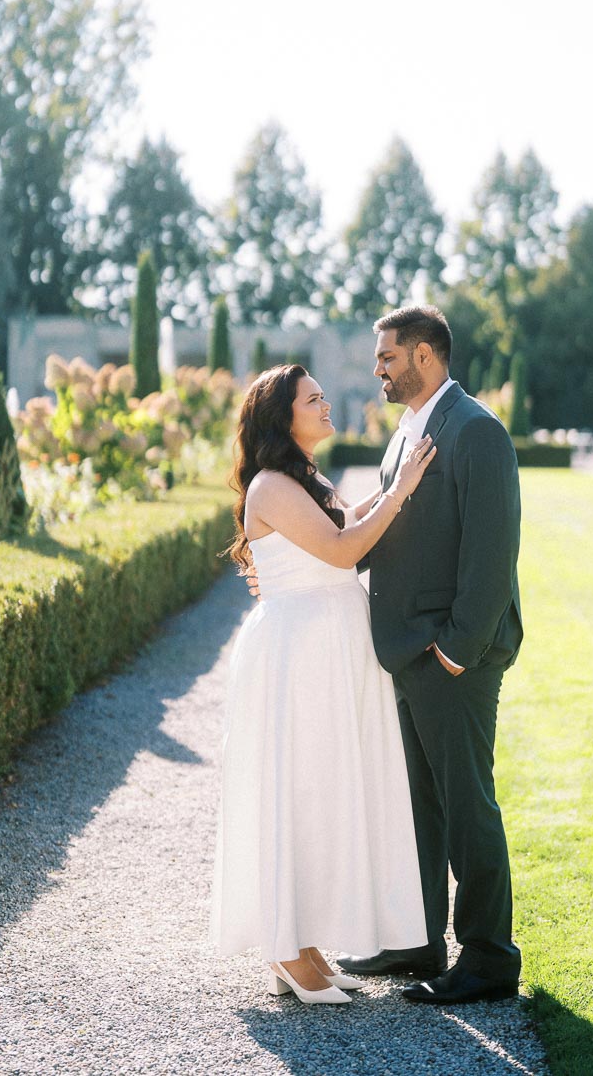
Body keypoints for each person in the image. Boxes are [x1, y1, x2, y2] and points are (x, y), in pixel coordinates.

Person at [210, 364, 437, 1004]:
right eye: (313, 399)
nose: (326, 402)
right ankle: (285, 949)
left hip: (326, 646)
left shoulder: (304, 479)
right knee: (298, 788)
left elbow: (342, 520)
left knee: (321, 789)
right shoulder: (272, 486)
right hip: (297, 655)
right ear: (285, 417)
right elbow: (341, 549)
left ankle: (304, 944)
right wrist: (402, 491)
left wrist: (393, 485)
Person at [336, 304, 523, 1004]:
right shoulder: (408, 433)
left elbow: (492, 551)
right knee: (417, 805)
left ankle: (489, 957)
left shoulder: (475, 431)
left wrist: (456, 650)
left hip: (450, 658)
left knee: (467, 804)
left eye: (387, 356)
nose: (378, 369)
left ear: (424, 354)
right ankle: (418, 942)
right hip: (407, 654)